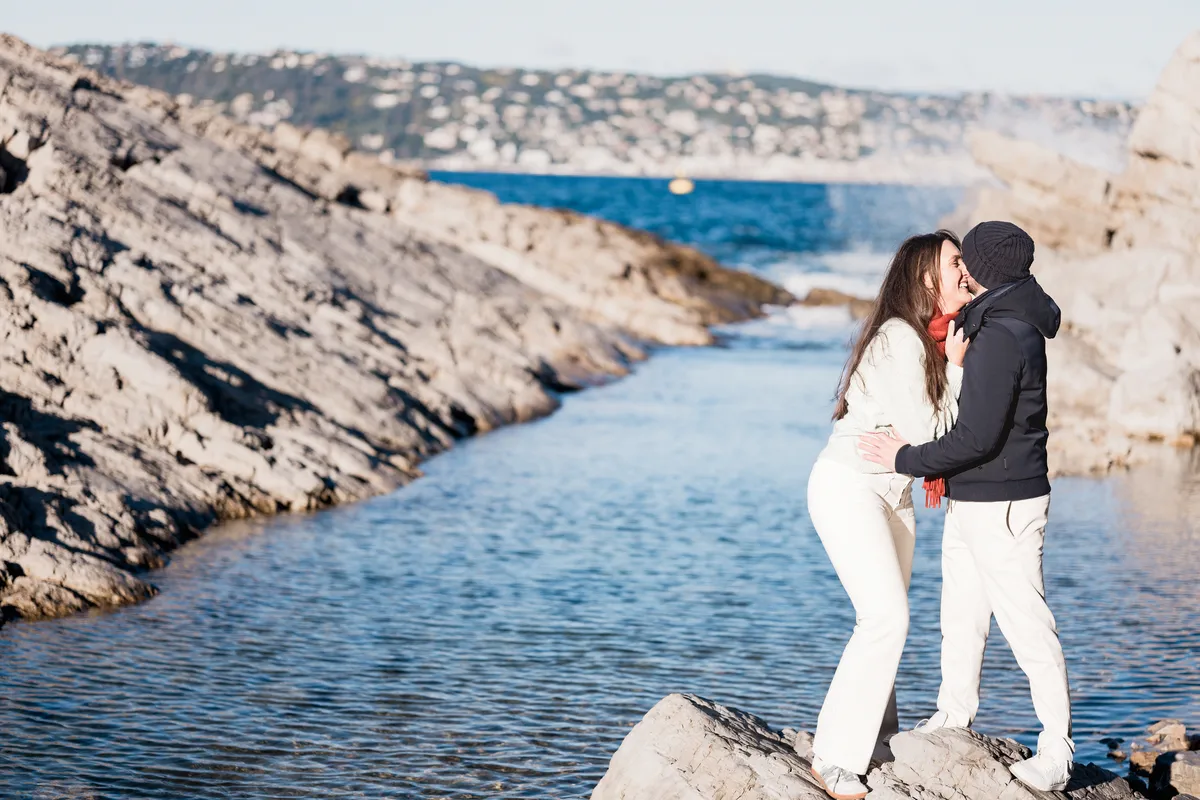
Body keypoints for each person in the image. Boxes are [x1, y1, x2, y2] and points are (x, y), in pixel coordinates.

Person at [859, 220, 1073, 793]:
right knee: (961, 617)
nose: (960, 269)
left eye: (964, 261)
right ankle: (954, 714)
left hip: (1004, 503)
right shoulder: (998, 322)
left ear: (980, 270)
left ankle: (1057, 749)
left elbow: (976, 438)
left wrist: (904, 457)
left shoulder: (1002, 336)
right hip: (975, 497)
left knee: (1027, 624)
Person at [806, 230, 971, 800]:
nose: (965, 272)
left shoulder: (927, 337)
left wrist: (947, 363)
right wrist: (952, 368)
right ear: (925, 275)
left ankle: (876, 741)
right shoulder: (902, 338)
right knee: (886, 618)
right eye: (955, 262)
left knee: (884, 622)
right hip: (850, 487)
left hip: (892, 491)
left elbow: (926, 437)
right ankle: (833, 757)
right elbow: (934, 434)